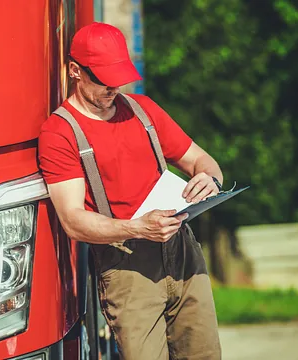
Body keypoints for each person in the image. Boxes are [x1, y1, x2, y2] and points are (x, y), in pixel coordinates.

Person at [38, 22, 223, 360]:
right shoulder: (60, 133)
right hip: (126, 266)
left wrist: (210, 179)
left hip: (183, 253)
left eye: (118, 78)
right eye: (103, 80)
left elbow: (202, 160)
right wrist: (138, 227)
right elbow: (72, 220)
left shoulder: (142, 109)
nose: (113, 88)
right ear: (76, 71)